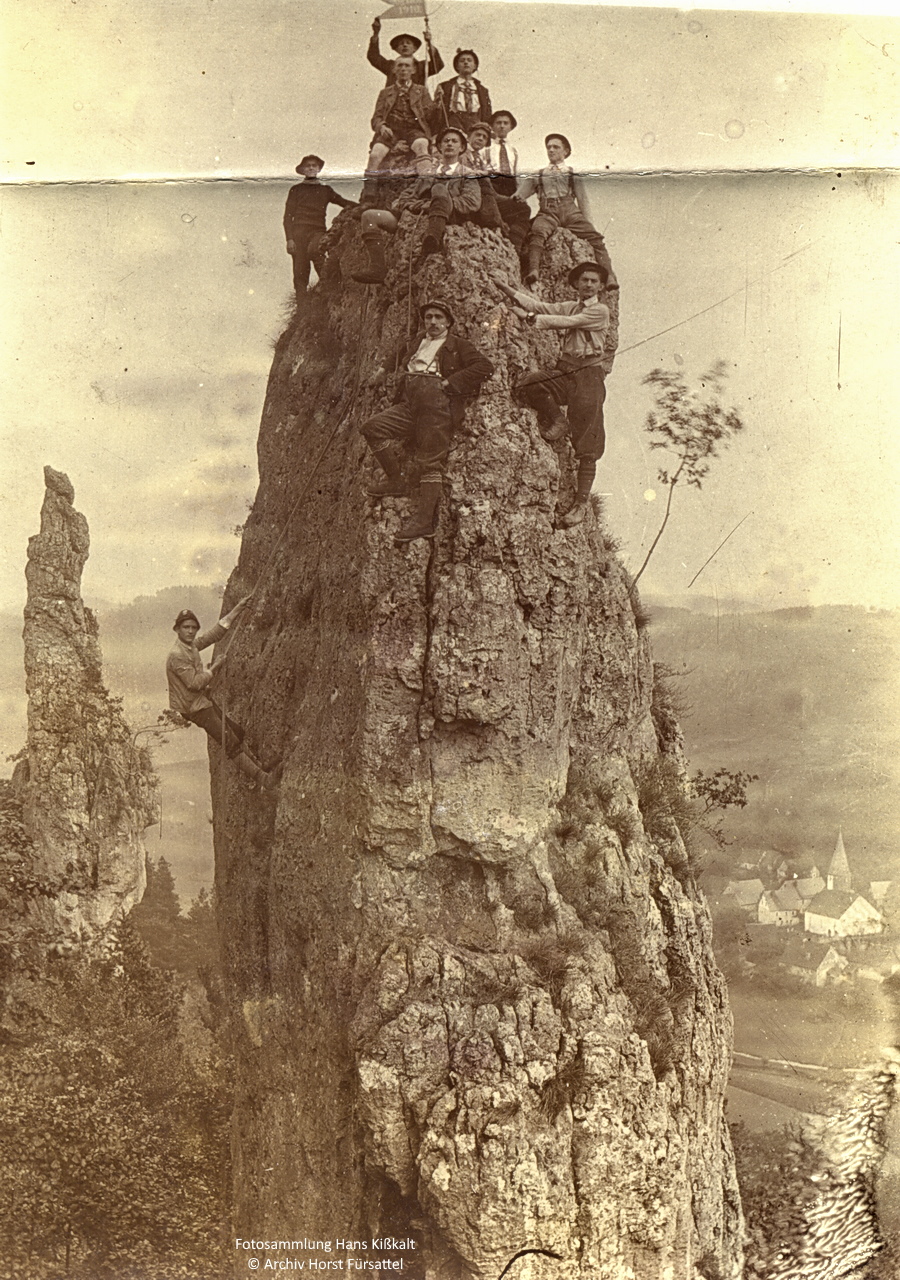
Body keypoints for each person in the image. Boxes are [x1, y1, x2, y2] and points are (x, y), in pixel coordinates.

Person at [359, 300, 493, 542]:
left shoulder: (458, 345)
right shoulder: (417, 342)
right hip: (409, 405)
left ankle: (424, 523)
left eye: (438, 317)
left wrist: (449, 383)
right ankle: (396, 480)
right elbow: (398, 353)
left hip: (437, 407)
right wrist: (382, 370)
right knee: (372, 427)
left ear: (448, 322)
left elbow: (484, 367)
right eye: (429, 317)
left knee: (430, 462)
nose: (432, 321)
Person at [492, 261, 610, 529]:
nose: (588, 284)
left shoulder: (599, 311)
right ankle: (558, 419)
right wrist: (508, 290)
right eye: (584, 280)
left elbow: (566, 322)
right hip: (566, 371)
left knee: (587, 438)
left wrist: (530, 319)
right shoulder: (571, 304)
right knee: (530, 384)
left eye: (593, 281)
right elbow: (542, 307)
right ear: (577, 284)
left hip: (589, 376)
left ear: (600, 286)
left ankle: (580, 503)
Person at [166, 599, 281, 789]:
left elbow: (214, 635)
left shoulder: (190, 646)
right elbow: (194, 683)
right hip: (194, 708)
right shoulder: (177, 655)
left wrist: (237, 609)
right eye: (186, 627)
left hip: (200, 701)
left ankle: (258, 767)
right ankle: (263, 779)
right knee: (230, 742)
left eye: (193, 627)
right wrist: (215, 668)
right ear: (177, 629)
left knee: (235, 731)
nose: (190, 631)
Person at [352, 127, 481, 284]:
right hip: (414, 217)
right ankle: (377, 268)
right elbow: (403, 198)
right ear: (439, 147)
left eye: (454, 141)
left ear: (461, 148)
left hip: (448, 218)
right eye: (446, 141)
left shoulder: (467, 173)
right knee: (369, 216)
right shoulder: (428, 172)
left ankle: (433, 239)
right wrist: (421, 205)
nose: (449, 144)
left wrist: (440, 204)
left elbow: (472, 202)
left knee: (439, 189)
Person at [516, 134, 617, 288]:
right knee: (538, 232)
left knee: (596, 238)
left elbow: (583, 200)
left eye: (556, 147)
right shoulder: (538, 174)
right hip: (548, 212)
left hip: (570, 212)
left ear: (565, 151)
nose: (551, 150)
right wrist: (515, 199)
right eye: (548, 147)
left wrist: (589, 224)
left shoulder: (572, 173)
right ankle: (534, 271)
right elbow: (519, 195)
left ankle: (609, 276)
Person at [362, 55, 436, 204]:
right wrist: (382, 126)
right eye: (400, 66)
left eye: (407, 66)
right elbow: (375, 118)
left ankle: (427, 186)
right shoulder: (385, 93)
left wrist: (436, 105)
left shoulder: (421, 91)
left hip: (414, 130)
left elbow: (430, 116)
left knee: (422, 146)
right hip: (391, 132)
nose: (403, 69)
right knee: (375, 154)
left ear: (414, 70)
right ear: (394, 70)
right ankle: (369, 194)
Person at [283, 155, 357, 294]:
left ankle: (328, 290)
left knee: (315, 251)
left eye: (314, 165)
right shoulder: (296, 190)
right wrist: (289, 239)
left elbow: (343, 202)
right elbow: (288, 216)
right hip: (298, 234)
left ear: (318, 169)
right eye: (308, 165)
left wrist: (363, 206)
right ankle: (302, 311)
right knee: (300, 272)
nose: (311, 168)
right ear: (303, 170)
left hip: (317, 231)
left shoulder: (325, 190)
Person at [469, 117, 531, 252]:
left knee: (518, 208)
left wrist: (519, 191)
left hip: (509, 184)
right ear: (493, 126)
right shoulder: (486, 147)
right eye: (498, 123)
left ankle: (515, 245)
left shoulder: (513, 149)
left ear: (510, 127)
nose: (502, 126)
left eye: (505, 123)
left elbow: (516, 170)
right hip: (491, 182)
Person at [367, 15, 443, 85]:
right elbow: (373, 57)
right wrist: (376, 33)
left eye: (408, 43)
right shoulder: (391, 66)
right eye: (401, 43)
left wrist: (429, 43)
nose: (405, 45)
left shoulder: (422, 66)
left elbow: (438, 65)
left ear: (415, 49)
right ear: (396, 49)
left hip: (416, 99)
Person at [434, 50, 492, 135]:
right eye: (462, 61)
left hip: (475, 121)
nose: (466, 62)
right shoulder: (445, 86)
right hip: (454, 120)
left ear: (475, 66)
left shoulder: (482, 90)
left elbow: (487, 112)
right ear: (457, 66)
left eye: (469, 60)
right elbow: (437, 110)